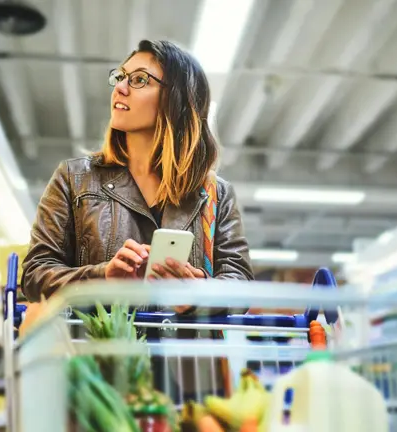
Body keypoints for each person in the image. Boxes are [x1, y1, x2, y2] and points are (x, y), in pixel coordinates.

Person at [20, 39, 254, 399]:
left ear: (177, 99)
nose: (121, 86)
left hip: (187, 381)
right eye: (120, 76)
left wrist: (197, 295)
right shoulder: (74, 178)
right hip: (96, 378)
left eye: (141, 79)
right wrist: (102, 277)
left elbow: (239, 282)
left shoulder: (215, 194)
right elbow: (35, 275)